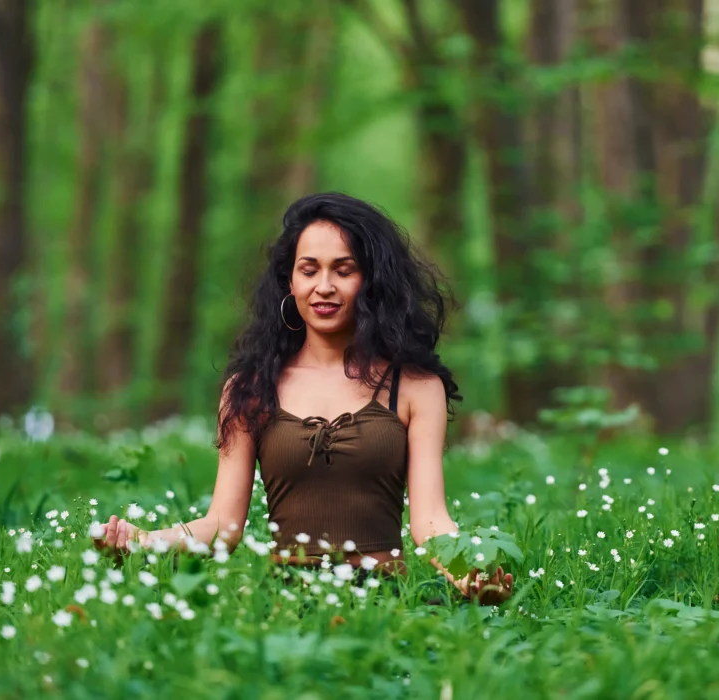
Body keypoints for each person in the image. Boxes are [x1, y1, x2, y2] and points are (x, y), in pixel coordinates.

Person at [93, 192, 513, 606]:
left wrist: (469, 570)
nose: (324, 287)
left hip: (386, 607)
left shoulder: (416, 386)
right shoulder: (250, 388)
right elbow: (223, 525)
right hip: (284, 608)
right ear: (289, 281)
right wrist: (145, 541)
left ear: (370, 280)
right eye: (309, 270)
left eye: (344, 270)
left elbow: (430, 523)